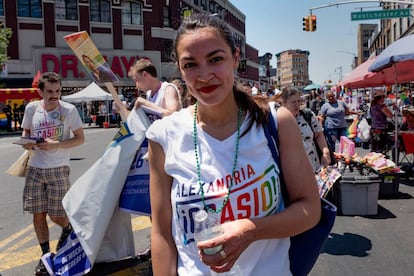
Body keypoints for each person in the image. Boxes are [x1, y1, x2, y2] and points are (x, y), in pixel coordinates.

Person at [145, 13, 320, 275]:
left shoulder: (275, 122)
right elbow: (161, 234)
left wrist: (252, 230)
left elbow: (310, 209)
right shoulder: (163, 136)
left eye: (215, 59)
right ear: (179, 70)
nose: (204, 75)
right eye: (190, 65)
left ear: (235, 59)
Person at [20, 72, 85, 275]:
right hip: (35, 168)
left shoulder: (69, 110)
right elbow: (25, 134)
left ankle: (68, 228)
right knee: (38, 214)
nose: (54, 95)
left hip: (58, 168)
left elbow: (80, 139)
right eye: (49, 91)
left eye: (58, 91)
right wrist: (28, 143)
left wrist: (57, 145)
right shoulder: (31, 108)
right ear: (40, 91)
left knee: (57, 215)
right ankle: (45, 256)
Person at [277, 87, 331, 172]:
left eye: (299, 101)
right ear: (284, 103)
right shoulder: (278, 121)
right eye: (293, 102)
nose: (297, 105)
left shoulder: (308, 115)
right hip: (293, 171)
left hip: (314, 167)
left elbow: (318, 134)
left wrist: (325, 151)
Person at [370, 89, 394, 153]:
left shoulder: (372, 106)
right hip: (381, 129)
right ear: (381, 97)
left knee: (374, 148)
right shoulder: (381, 106)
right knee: (380, 148)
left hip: (374, 128)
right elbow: (390, 115)